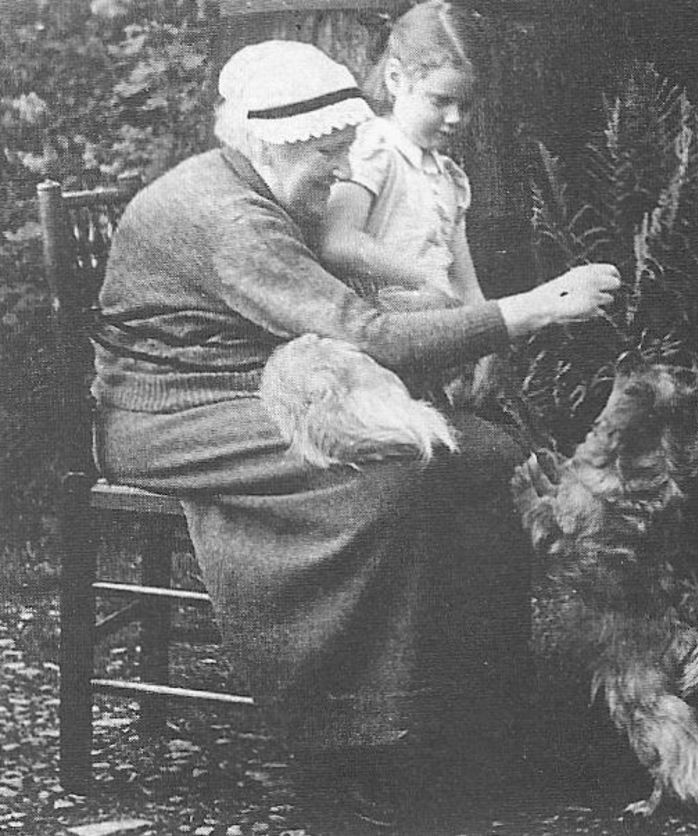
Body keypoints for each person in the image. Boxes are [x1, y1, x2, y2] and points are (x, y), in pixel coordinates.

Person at [91, 39, 620, 825]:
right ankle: (342, 742)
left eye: (345, 153)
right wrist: (532, 308)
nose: (341, 174)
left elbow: (349, 322)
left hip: (261, 383)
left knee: (486, 453)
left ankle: (473, 718)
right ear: (280, 142)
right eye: (331, 156)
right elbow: (364, 334)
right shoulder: (229, 217)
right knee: (384, 475)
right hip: (172, 416)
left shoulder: (259, 189)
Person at [315, 1, 497, 405]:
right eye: (440, 101)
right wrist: (419, 280)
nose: (454, 118)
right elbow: (337, 240)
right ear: (396, 79)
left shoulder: (449, 177)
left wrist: (487, 340)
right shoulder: (374, 147)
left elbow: (465, 281)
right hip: (378, 333)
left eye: (465, 106)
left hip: (437, 337)